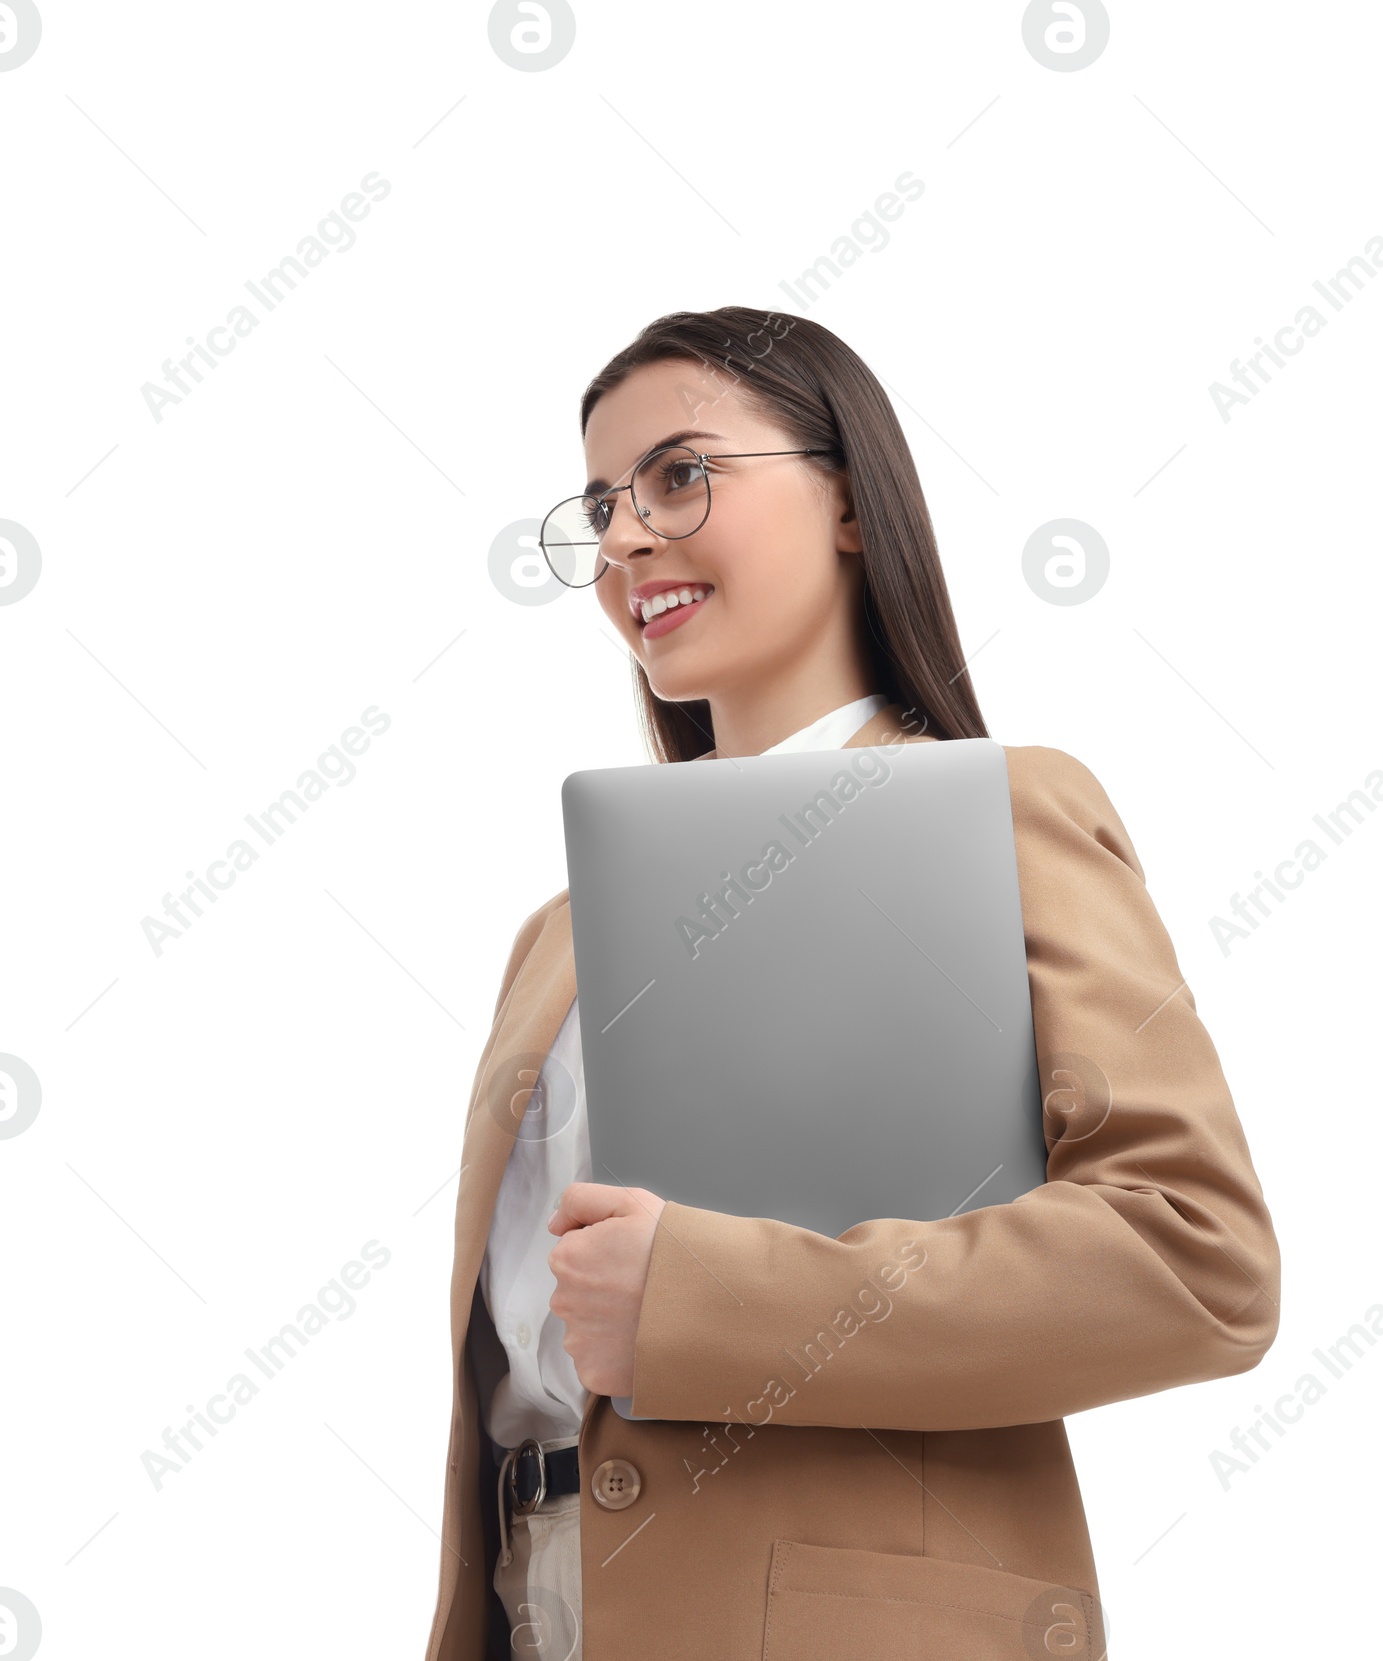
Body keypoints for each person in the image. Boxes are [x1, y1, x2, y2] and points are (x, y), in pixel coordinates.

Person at [424, 307, 1281, 1661]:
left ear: (849, 505)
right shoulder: (558, 933)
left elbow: (1194, 1258)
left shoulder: (1003, 817)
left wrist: (699, 1298)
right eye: (601, 503)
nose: (628, 536)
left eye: (680, 474)